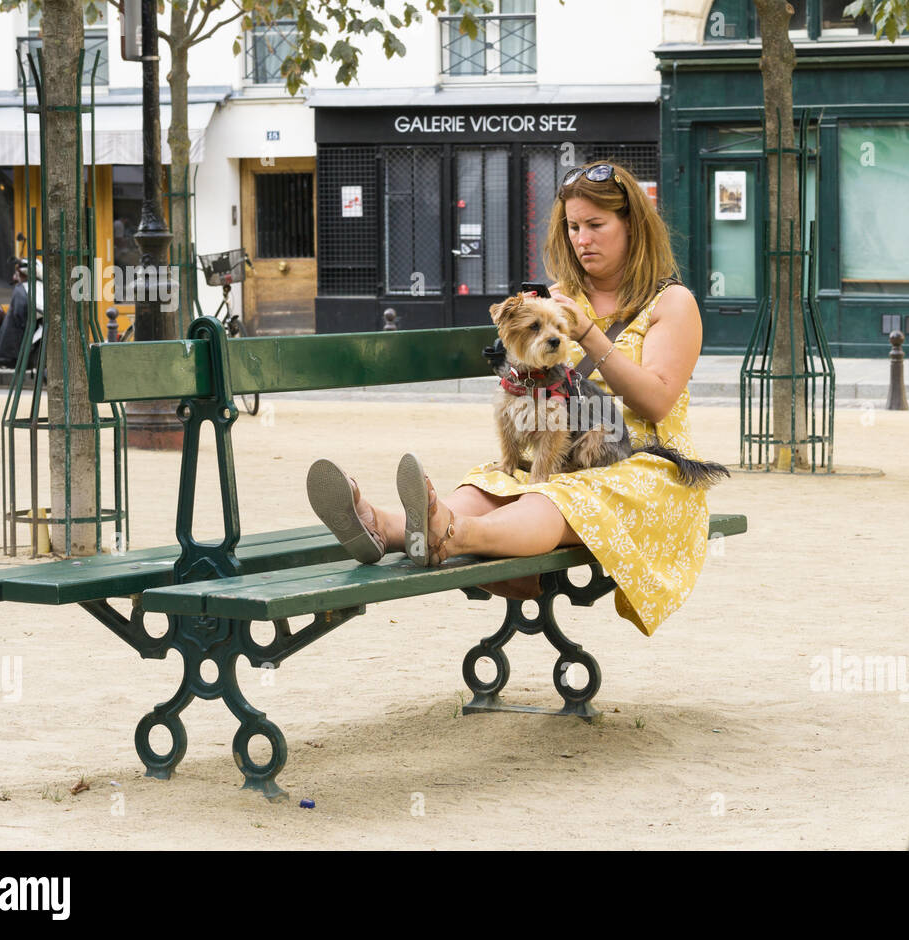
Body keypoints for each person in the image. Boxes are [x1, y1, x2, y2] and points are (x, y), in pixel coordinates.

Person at [307, 162, 718, 636]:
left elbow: (657, 402)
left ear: (632, 226)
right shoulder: (553, 299)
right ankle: (379, 522)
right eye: (573, 227)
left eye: (596, 226)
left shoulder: (671, 302)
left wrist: (587, 333)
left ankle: (451, 533)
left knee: (554, 498)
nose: (582, 239)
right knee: (489, 486)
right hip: (558, 445)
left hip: (641, 462)